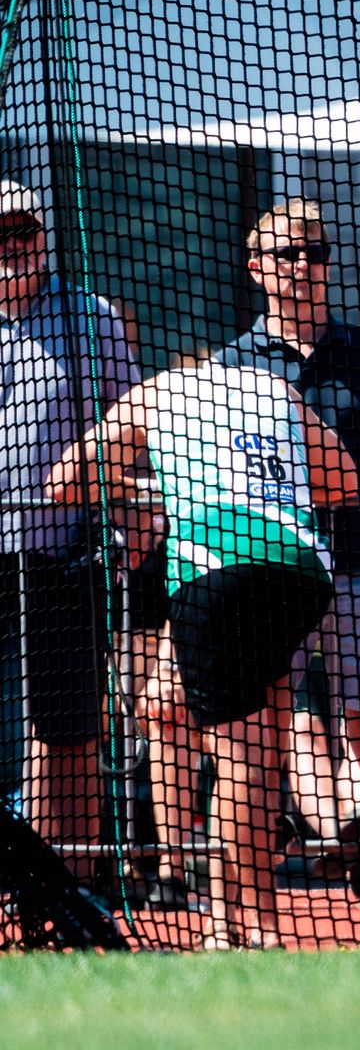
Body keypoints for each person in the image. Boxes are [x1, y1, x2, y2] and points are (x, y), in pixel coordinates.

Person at [46, 357, 358, 949]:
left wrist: (143, 483)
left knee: (238, 756)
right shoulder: (274, 387)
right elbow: (343, 479)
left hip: (216, 575)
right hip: (303, 573)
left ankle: (240, 926)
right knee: (263, 747)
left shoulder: (155, 394)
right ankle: (241, 922)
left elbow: (64, 483)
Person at [214, 198, 360, 941]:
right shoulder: (232, 365)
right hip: (274, 574)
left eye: (315, 253)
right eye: (286, 255)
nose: (303, 267)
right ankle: (252, 916)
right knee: (264, 739)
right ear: (255, 269)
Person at [0, 180, 141, 881]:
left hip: (60, 547)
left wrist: (126, 514)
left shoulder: (91, 319)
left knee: (68, 729)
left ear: (46, 236)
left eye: (25, 233)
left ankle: (72, 889)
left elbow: (130, 425)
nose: (14, 248)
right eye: (2, 237)